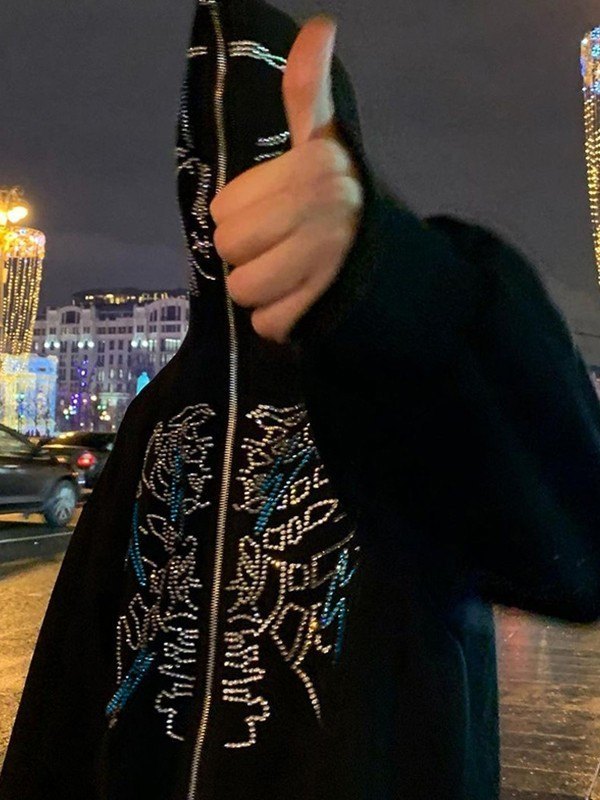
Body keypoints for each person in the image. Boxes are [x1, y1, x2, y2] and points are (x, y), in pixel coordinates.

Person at [1, 1, 599, 798]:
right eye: (199, 173)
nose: (222, 201)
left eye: (266, 162)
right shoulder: (162, 410)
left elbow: (570, 539)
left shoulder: (397, 390)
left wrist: (392, 280)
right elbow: (69, 686)